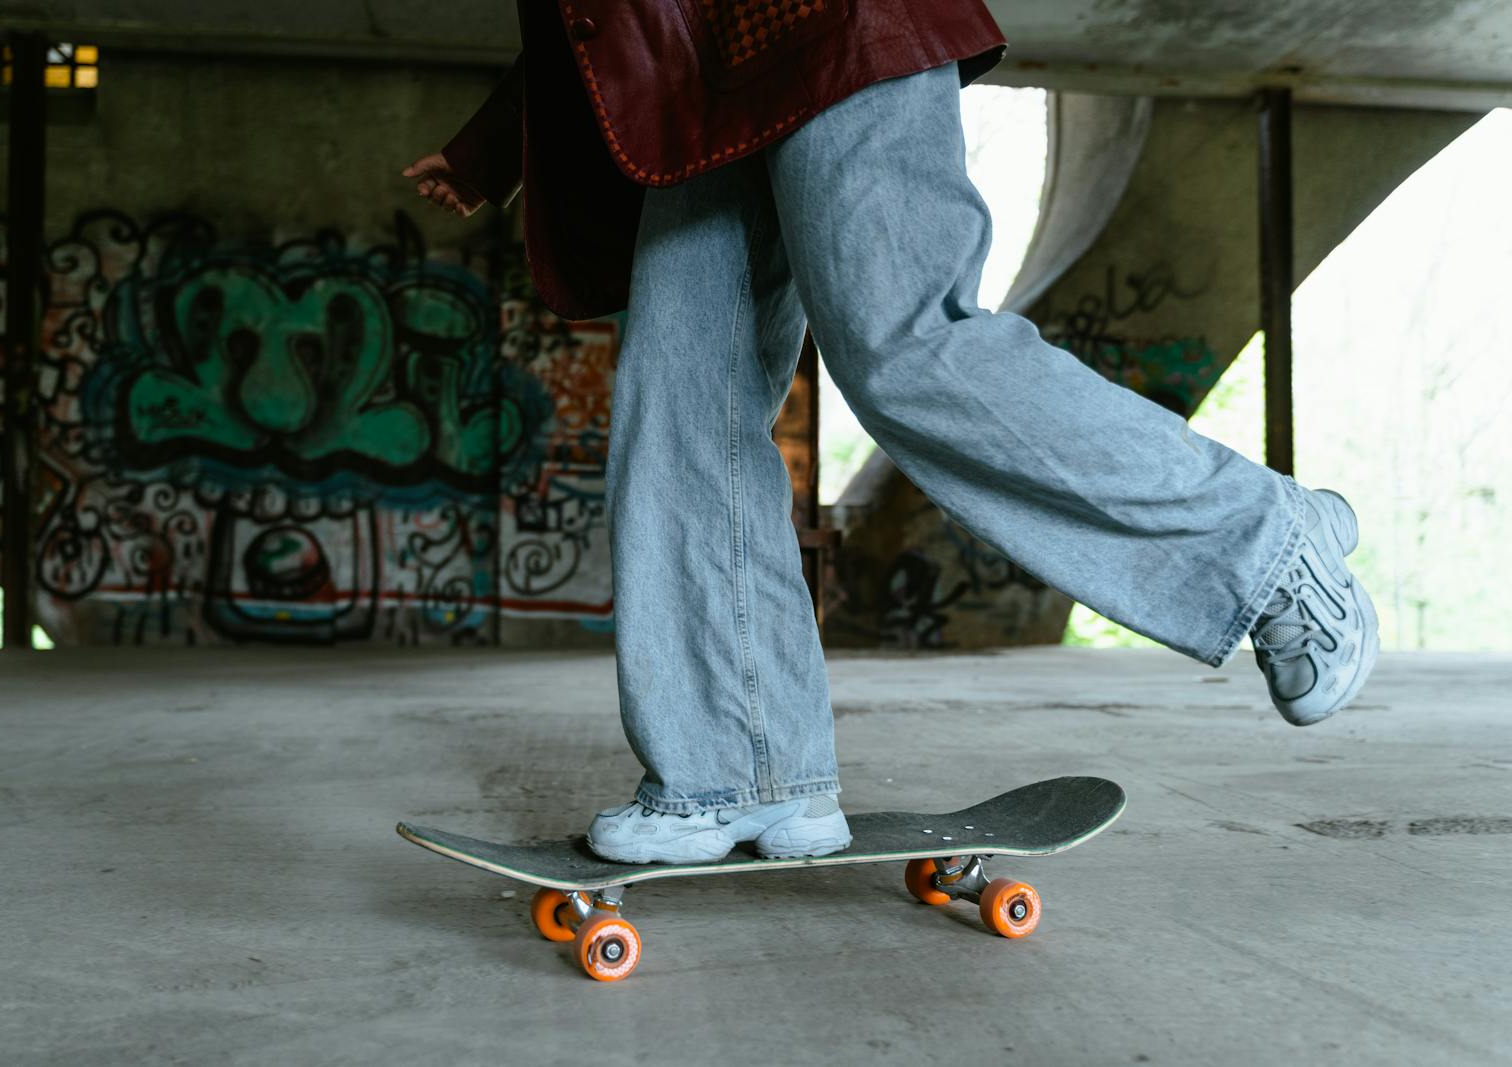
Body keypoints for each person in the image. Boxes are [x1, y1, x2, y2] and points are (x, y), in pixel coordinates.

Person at [400, 2, 1380, 866]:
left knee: (904, 345)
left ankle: (1266, 541)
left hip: (830, 26)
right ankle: (740, 770)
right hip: (701, 85)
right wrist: (496, 142)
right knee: (678, 418)